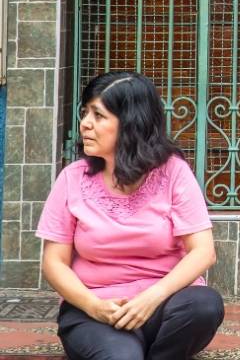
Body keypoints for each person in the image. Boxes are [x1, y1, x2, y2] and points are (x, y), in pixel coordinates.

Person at [37, 72, 223, 360]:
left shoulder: (173, 172)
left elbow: (203, 252)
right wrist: (93, 305)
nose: (85, 123)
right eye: (85, 113)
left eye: (98, 115)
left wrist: (152, 297)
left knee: (205, 305)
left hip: (162, 306)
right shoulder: (72, 179)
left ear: (130, 124)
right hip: (96, 311)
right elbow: (54, 262)